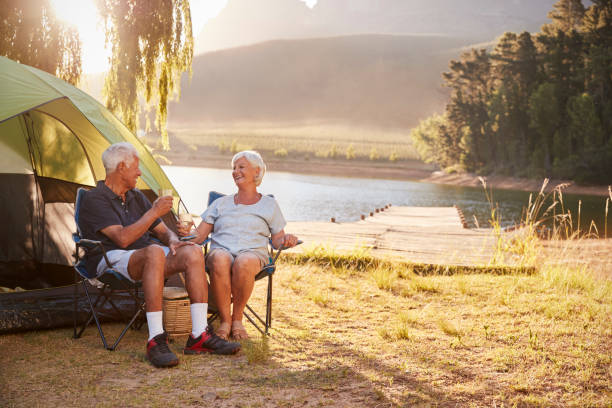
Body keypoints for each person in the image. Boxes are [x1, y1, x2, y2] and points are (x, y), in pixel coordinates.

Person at [78, 142, 240, 368]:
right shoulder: (95, 199)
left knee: (192, 251)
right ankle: (155, 339)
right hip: (111, 259)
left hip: (148, 257)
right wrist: (154, 211)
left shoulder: (135, 197)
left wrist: (174, 241)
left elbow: (163, 232)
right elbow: (123, 239)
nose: (139, 172)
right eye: (136, 166)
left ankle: (199, 335)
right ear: (122, 167)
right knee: (154, 251)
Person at [178, 150, 298, 340]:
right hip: (221, 251)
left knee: (244, 261)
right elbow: (199, 236)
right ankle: (225, 321)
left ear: (256, 172)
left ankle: (237, 319)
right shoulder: (220, 203)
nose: (235, 171)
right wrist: (186, 234)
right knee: (219, 258)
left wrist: (286, 240)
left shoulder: (269, 205)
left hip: (252, 255)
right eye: (234, 168)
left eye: (241, 167)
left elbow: (276, 241)